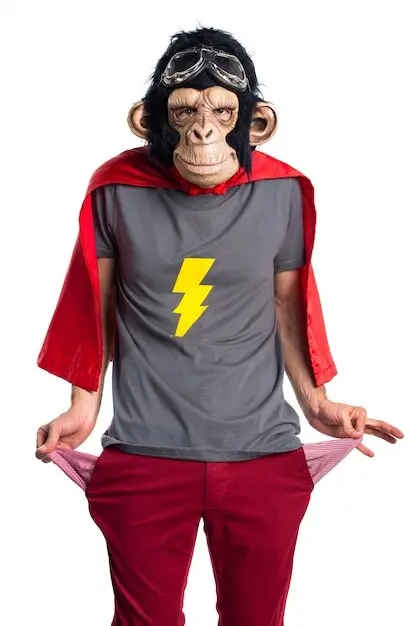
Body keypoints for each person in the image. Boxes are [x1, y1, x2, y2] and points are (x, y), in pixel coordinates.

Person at [35, 27, 403, 626]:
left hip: (262, 456)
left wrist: (318, 403)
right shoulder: (115, 190)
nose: (203, 129)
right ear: (151, 121)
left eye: (221, 111)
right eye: (185, 111)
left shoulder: (282, 191)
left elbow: (289, 306)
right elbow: (93, 307)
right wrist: (83, 407)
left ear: (254, 123)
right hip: (146, 454)